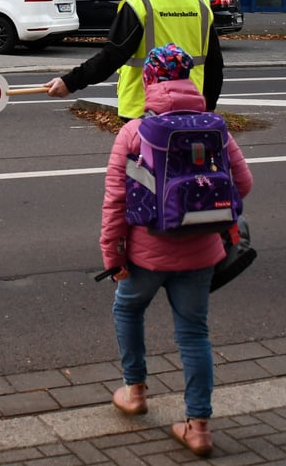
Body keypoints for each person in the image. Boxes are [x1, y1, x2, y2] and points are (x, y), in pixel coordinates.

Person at [101, 42, 252, 457]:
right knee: (194, 334)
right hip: (201, 252)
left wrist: (113, 257)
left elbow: (116, 203)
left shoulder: (134, 132)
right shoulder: (215, 127)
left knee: (128, 309)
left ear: (149, 80)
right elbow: (243, 184)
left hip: (146, 253)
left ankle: (134, 391)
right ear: (188, 78)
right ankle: (198, 427)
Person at [43, 0, 225, 118]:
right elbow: (214, 63)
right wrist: (209, 105)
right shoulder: (200, 3)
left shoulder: (139, 3)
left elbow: (111, 57)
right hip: (190, 107)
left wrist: (70, 82)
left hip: (143, 108)